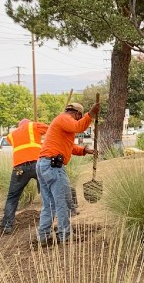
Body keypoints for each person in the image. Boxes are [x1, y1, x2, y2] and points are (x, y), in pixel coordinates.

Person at [36, 102, 99, 247]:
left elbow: (69, 148)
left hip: (43, 164)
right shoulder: (65, 119)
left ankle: (43, 236)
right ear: (77, 114)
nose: (79, 120)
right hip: (53, 166)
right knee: (62, 201)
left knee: (49, 204)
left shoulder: (62, 124)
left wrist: (84, 151)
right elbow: (80, 127)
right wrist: (91, 114)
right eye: (80, 117)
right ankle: (65, 235)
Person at [0, 119, 49, 235]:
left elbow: (22, 144)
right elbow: (50, 129)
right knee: (49, 189)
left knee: (12, 197)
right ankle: (55, 216)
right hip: (36, 164)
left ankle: (7, 226)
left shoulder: (11, 135)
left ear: (19, 126)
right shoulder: (34, 126)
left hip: (19, 168)